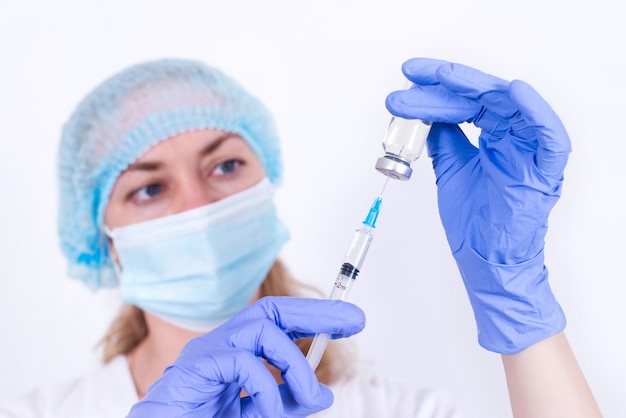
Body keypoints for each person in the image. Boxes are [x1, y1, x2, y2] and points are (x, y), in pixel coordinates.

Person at [0, 57, 601, 418]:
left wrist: (513, 290)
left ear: (268, 178)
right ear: (96, 234)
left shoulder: (396, 410)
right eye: (148, 189)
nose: (199, 205)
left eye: (225, 166)